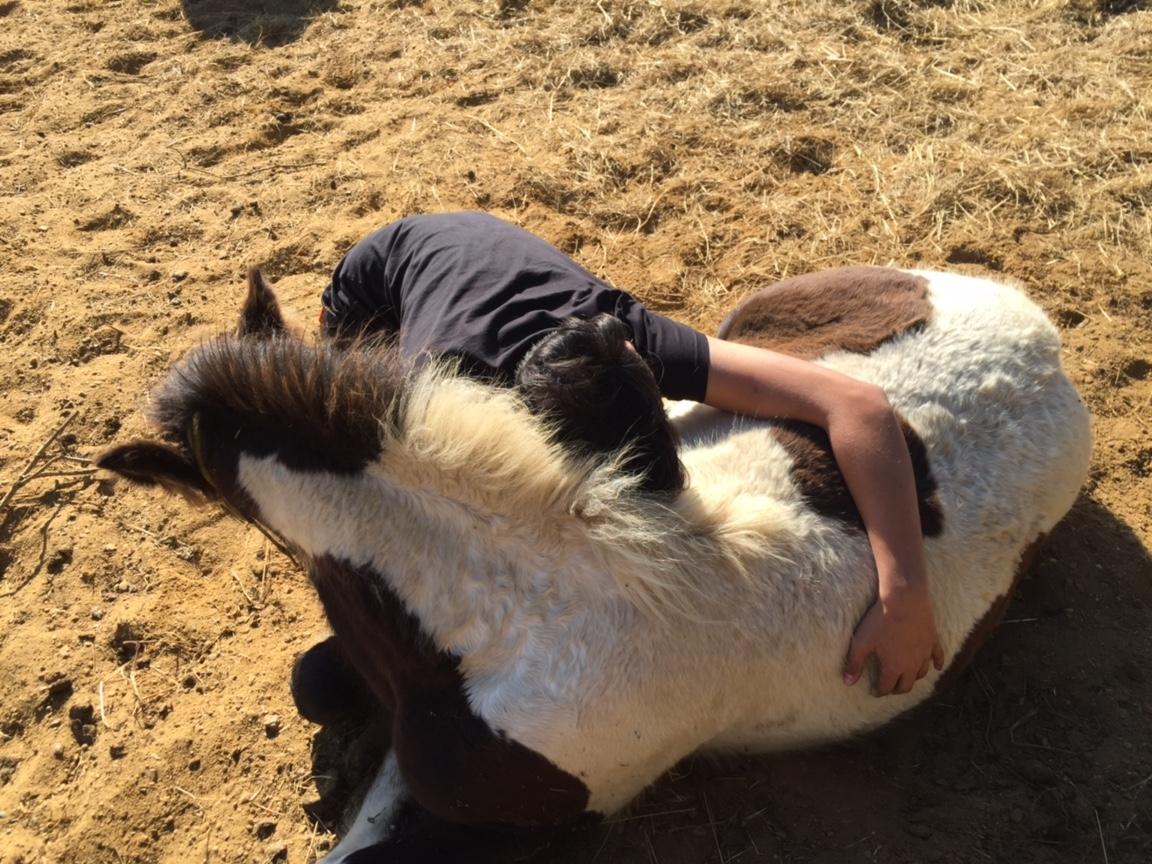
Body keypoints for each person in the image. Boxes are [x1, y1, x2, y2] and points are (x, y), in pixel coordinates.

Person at [294, 211, 942, 718]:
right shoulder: (431, 412)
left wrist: (905, 591)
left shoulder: (625, 335)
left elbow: (857, 405)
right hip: (373, 291)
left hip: (475, 249)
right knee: (323, 684)